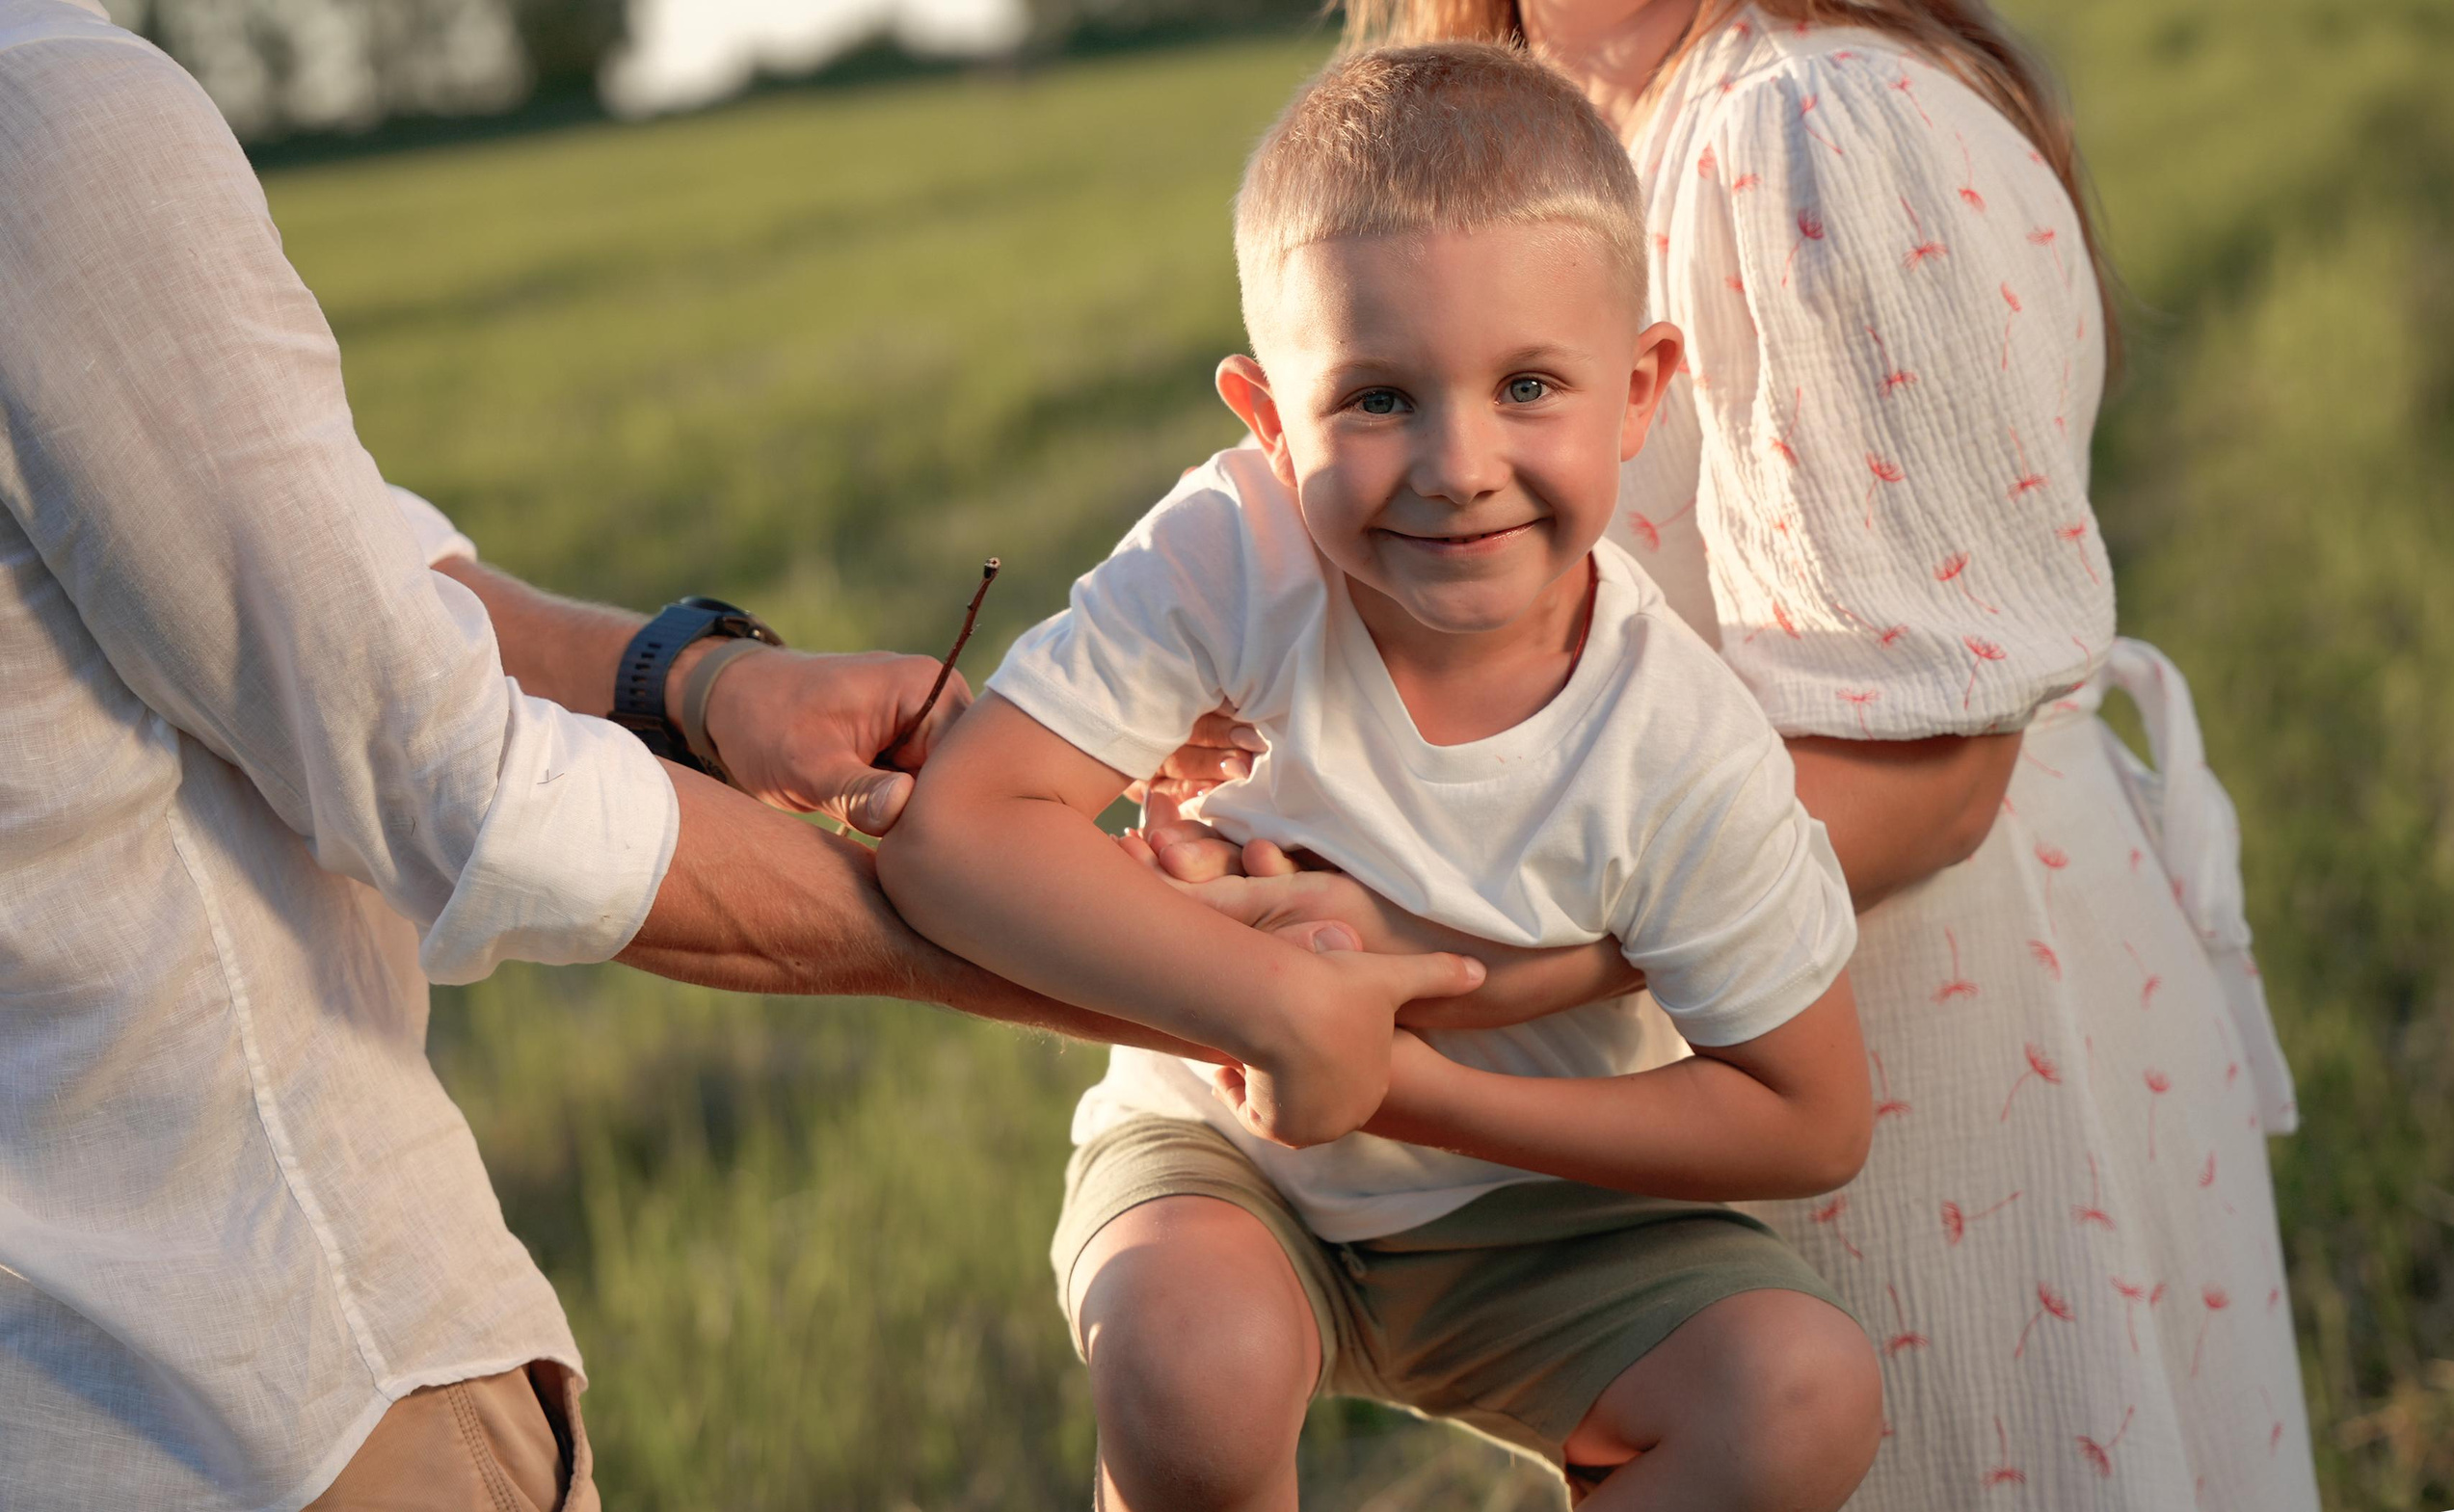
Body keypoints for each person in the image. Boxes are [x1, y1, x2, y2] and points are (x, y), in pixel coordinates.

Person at [0, 4, 1454, 1508]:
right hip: (242, 1407)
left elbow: (334, 582)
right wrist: (1098, 935)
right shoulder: (47, 116)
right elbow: (452, 779)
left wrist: (690, 679)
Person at [1156, 2, 2319, 1507]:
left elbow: (1936, 774)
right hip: (1699, 1056)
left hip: (1930, 1040)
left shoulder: (1803, 122)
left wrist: (1418, 963)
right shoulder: (1528, 128)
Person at [879, 44, 1885, 1511]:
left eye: (1530, 383)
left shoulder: (1675, 740)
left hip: (1544, 1215)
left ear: (1640, 389)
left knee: (1804, 1391)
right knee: (1190, 1371)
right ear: (1268, 417)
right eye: (1375, 400)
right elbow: (959, 829)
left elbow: (1808, 1115)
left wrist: (1401, 1085)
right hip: (1224, 1161)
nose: (1458, 463)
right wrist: (1265, 1009)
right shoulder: (1233, 554)